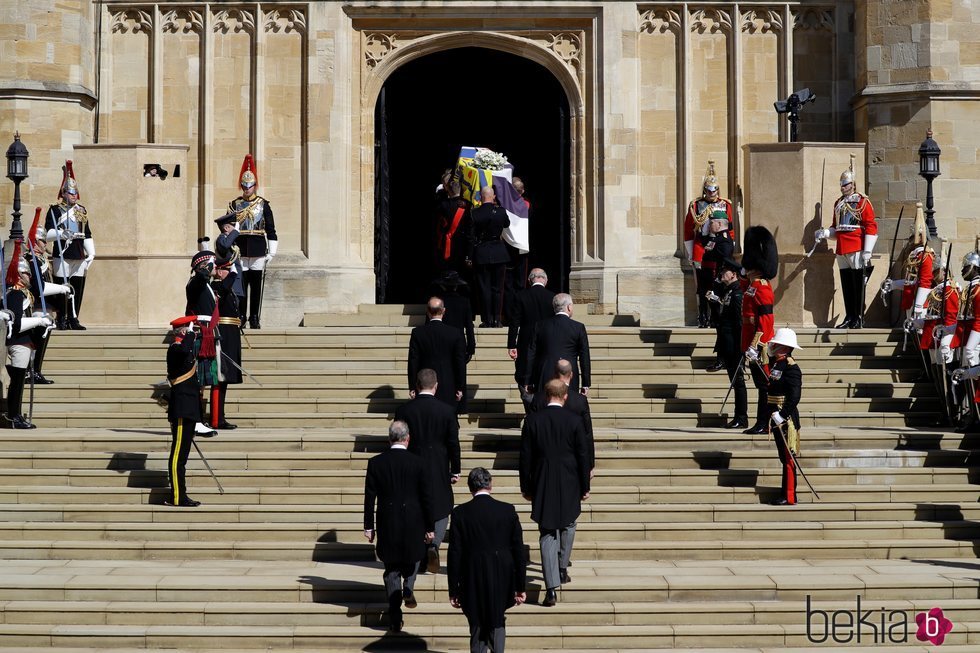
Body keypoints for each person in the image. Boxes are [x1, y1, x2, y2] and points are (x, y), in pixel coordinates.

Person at [519, 379, 591, 607]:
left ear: (546, 395)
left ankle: (551, 588)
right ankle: (561, 567)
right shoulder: (574, 421)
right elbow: (582, 456)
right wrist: (585, 485)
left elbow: (525, 459)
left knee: (547, 533)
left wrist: (526, 487)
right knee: (569, 523)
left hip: (543, 481)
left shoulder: (532, 421)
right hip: (569, 481)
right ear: (565, 396)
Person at [363, 420, 435, 632]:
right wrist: (430, 526)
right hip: (414, 520)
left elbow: (369, 498)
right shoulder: (419, 462)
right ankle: (408, 587)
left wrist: (369, 526)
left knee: (391, 568)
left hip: (388, 520)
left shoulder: (376, 463)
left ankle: (395, 615)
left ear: (389, 438)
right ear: (407, 438)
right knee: (413, 558)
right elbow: (427, 498)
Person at [448, 467, 527, 653]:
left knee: (476, 624)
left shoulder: (460, 514)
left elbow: (455, 554)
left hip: (471, 577)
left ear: (470, 487)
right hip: (502, 577)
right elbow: (518, 551)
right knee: (497, 619)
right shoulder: (507, 510)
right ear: (490, 485)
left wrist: (453, 589)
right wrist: (520, 586)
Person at [395, 368, 461, 575]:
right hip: (438, 465)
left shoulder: (404, 410)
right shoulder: (447, 410)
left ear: (416, 386)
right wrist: (455, 469)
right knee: (442, 506)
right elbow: (453, 443)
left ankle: (421, 550)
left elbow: (398, 438)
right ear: (436, 385)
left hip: (412, 464)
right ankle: (434, 544)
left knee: (416, 505)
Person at [813, 157, 878, 328]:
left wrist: (867, 250)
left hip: (856, 246)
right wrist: (826, 233)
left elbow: (871, 226)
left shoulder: (862, 202)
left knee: (857, 285)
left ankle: (857, 317)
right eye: (841, 185)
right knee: (847, 285)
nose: (842, 188)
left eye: (846, 184)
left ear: (853, 184)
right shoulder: (838, 203)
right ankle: (849, 317)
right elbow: (837, 228)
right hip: (841, 248)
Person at [683, 161, 735, 328]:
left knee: (718, 282)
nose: (712, 193)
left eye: (714, 190)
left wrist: (728, 249)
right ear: (704, 190)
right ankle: (703, 316)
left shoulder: (725, 205)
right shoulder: (696, 205)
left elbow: (731, 229)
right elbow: (688, 230)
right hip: (702, 247)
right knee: (702, 285)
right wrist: (691, 253)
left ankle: (717, 316)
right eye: (709, 190)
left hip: (720, 248)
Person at [228, 154, 277, 329]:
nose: (247, 188)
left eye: (250, 185)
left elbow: (271, 229)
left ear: (254, 186)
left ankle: (254, 316)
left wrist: (272, 251)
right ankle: (241, 315)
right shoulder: (235, 204)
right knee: (241, 285)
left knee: (256, 286)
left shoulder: (263, 204)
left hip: (257, 248)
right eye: (244, 185)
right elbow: (228, 227)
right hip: (240, 248)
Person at [4, 241, 49, 429]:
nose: (29, 275)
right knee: (17, 383)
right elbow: (16, 324)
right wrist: (38, 321)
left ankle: (15, 415)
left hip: (26, 342)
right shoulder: (15, 295)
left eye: (29, 272)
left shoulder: (25, 294)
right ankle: (13, 416)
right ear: (17, 275)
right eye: (25, 272)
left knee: (20, 381)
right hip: (18, 341)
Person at [45, 160, 95, 330]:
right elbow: (48, 233)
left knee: (77, 288)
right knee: (62, 289)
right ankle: (62, 318)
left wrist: (92, 253)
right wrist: (60, 233)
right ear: (64, 193)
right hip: (63, 253)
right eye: (71, 193)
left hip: (79, 253)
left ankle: (74, 318)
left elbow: (86, 233)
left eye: (76, 193)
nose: (75, 196)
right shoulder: (55, 210)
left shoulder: (81, 210)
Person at [26, 208, 71, 385]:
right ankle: (33, 371)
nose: (46, 244)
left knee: (42, 341)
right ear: (35, 242)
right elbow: (39, 287)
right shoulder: (32, 260)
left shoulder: (41, 259)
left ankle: (36, 370)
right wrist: (60, 289)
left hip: (45, 308)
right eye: (43, 241)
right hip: (36, 307)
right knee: (37, 342)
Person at [740, 226, 778, 435]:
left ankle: (765, 423)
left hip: (760, 347)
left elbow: (765, 321)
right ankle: (761, 422)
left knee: (764, 386)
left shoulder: (762, 287)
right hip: (749, 342)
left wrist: (755, 346)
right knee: (760, 385)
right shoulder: (752, 285)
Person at [532, 358, 595, 477]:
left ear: (554, 374)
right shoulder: (580, 401)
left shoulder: (539, 398)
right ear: (571, 375)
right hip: (572, 464)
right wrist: (589, 464)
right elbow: (587, 434)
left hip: (543, 464)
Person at [165, 315, 203, 507]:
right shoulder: (175, 349)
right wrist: (189, 335)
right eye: (190, 331)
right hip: (181, 409)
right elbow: (184, 349)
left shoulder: (185, 349)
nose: (194, 334)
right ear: (182, 332)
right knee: (178, 456)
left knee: (183, 456)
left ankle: (181, 494)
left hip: (188, 409)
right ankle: (178, 496)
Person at [706, 257, 748, 429]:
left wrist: (742, 347)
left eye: (725, 271)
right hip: (727, 344)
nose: (722, 273)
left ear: (734, 275)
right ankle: (739, 416)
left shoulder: (737, 293)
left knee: (738, 382)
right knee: (734, 380)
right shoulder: (728, 291)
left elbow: (739, 322)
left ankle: (741, 416)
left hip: (735, 345)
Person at [524, 293, 591, 397]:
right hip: (568, 373)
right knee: (568, 406)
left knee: (545, 407)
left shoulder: (540, 325)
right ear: (569, 307)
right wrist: (586, 383)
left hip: (544, 372)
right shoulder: (578, 327)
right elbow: (584, 356)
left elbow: (531, 353)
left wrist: (528, 380)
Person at [184, 243, 220, 438]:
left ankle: (198, 420)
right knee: (198, 382)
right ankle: (196, 422)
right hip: (199, 336)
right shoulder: (195, 283)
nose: (216, 268)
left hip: (207, 335)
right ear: (204, 267)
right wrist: (205, 266)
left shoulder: (207, 285)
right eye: (213, 265)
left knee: (203, 382)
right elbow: (198, 279)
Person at [507, 268, 555, 411]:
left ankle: (530, 409)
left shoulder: (520, 296)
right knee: (544, 374)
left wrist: (511, 345)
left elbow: (514, 322)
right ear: (545, 280)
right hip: (547, 342)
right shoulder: (552, 297)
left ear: (529, 281)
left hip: (525, 342)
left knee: (524, 375)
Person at [407, 297, 467, 411]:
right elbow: (460, 362)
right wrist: (460, 387)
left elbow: (413, 361)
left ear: (428, 311)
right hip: (449, 383)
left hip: (424, 383)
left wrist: (412, 386)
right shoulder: (455, 333)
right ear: (443, 311)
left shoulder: (418, 333)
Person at [766, 328, 803, 506]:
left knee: (788, 458)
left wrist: (782, 414)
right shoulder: (777, 364)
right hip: (775, 416)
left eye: (778, 344)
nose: (775, 345)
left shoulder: (791, 367)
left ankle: (789, 495)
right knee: (783, 456)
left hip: (785, 419)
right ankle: (784, 492)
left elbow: (794, 397)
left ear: (786, 348)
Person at [881, 203, 933, 321]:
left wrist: (919, 304)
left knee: (919, 333)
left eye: (913, 236)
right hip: (911, 299)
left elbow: (925, 281)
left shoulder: (926, 255)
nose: (911, 240)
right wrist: (894, 284)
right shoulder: (915, 255)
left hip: (921, 302)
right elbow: (911, 281)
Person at [468, 185, 510, 327]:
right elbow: (507, 223)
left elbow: (471, 237)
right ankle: (497, 319)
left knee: (484, 288)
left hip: (481, 253)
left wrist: (469, 256)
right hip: (499, 252)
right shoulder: (501, 211)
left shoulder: (475, 213)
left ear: (480, 197)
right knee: (498, 288)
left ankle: (486, 320)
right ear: (493, 197)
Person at [209, 250, 242, 430]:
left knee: (225, 380)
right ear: (221, 271)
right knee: (220, 378)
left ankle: (220, 417)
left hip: (231, 336)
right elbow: (226, 285)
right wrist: (233, 272)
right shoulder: (217, 287)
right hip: (223, 336)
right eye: (229, 270)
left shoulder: (224, 287)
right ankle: (216, 419)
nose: (232, 274)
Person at [431, 270, 476, 363]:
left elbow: (429, 325)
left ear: (442, 286)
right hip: (459, 343)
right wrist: (471, 348)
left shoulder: (436, 302)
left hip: (440, 342)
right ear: (456, 286)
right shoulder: (464, 302)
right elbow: (469, 326)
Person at [214, 212, 246, 311]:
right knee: (230, 305)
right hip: (228, 278)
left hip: (236, 278)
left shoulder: (230, 241)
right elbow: (224, 246)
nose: (236, 229)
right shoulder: (221, 239)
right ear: (227, 228)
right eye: (233, 226)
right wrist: (235, 232)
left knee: (236, 304)